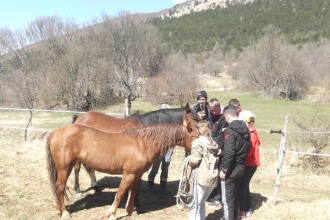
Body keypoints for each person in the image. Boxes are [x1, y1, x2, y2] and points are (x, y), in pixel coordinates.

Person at [220, 105, 250, 220]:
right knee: (234, 197)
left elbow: (230, 152)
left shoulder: (230, 130)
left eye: (225, 118)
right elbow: (244, 147)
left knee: (228, 200)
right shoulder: (246, 129)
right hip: (241, 166)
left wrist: (224, 169)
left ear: (227, 116)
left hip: (231, 170)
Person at [188, 120, 219, 220]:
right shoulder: (213, 142)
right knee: (201, 203)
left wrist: (188, 161)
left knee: (194, 204)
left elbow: (195, 160)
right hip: (212, 177)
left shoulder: (198, 143)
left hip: (201, 177)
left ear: (198, 130)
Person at [237, 110, 261, 218]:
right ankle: (245, 208)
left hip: (249, 163)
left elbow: (249, 150)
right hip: (248, 163)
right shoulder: (250, 131)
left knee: (243, 186)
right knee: (244, 186)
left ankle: (245, 209)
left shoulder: (250, 133)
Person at [147, 104, 173, 195]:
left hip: (169, 148)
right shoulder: (155, 123)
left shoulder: (172, 123)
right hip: (159, 148)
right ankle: (150, 185)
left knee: (165, 167)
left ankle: (163, 187)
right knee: (155, 167)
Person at [207, 98, 227, 207]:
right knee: (212, 172)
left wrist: (217, 147)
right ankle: (212, 193)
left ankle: (218, 196)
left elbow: (220, 135)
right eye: (212, 110)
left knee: (219, 172)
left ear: (219, 108)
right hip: (210, 145)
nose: (214, 112)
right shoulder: (209, 115)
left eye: (216, 110)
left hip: (219, 148)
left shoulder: (223, 117)